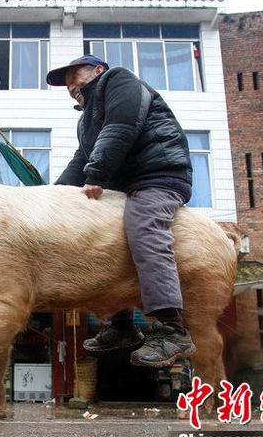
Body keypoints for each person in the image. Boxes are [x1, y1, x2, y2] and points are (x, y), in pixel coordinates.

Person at [46, 54, 195, 367]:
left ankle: (172, 329)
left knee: (144, 229)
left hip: (159, 176)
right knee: (102, 239)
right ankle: (121, 325)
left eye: (74, 75)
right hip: (127, 187)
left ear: (98, 70)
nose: (70, 85)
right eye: (66, 83)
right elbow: (79, 161)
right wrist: (52, 198)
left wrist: (96, 175)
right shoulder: (86, 119)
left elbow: (121, 127)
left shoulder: (119, 80)